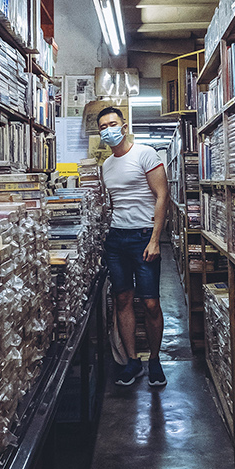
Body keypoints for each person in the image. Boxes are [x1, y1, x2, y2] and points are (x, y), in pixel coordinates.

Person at [98, 106, 169, 387]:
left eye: (112, 124)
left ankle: (154, 360)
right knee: (123, 300)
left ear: (124, 126)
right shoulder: (106, 166)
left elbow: (162, 196)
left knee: (150, 303)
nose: (108, 130)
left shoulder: (145, 154)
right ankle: (132, 362)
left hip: (143, 237)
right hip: (117, 239)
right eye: (103, 126)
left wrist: (155, 239)